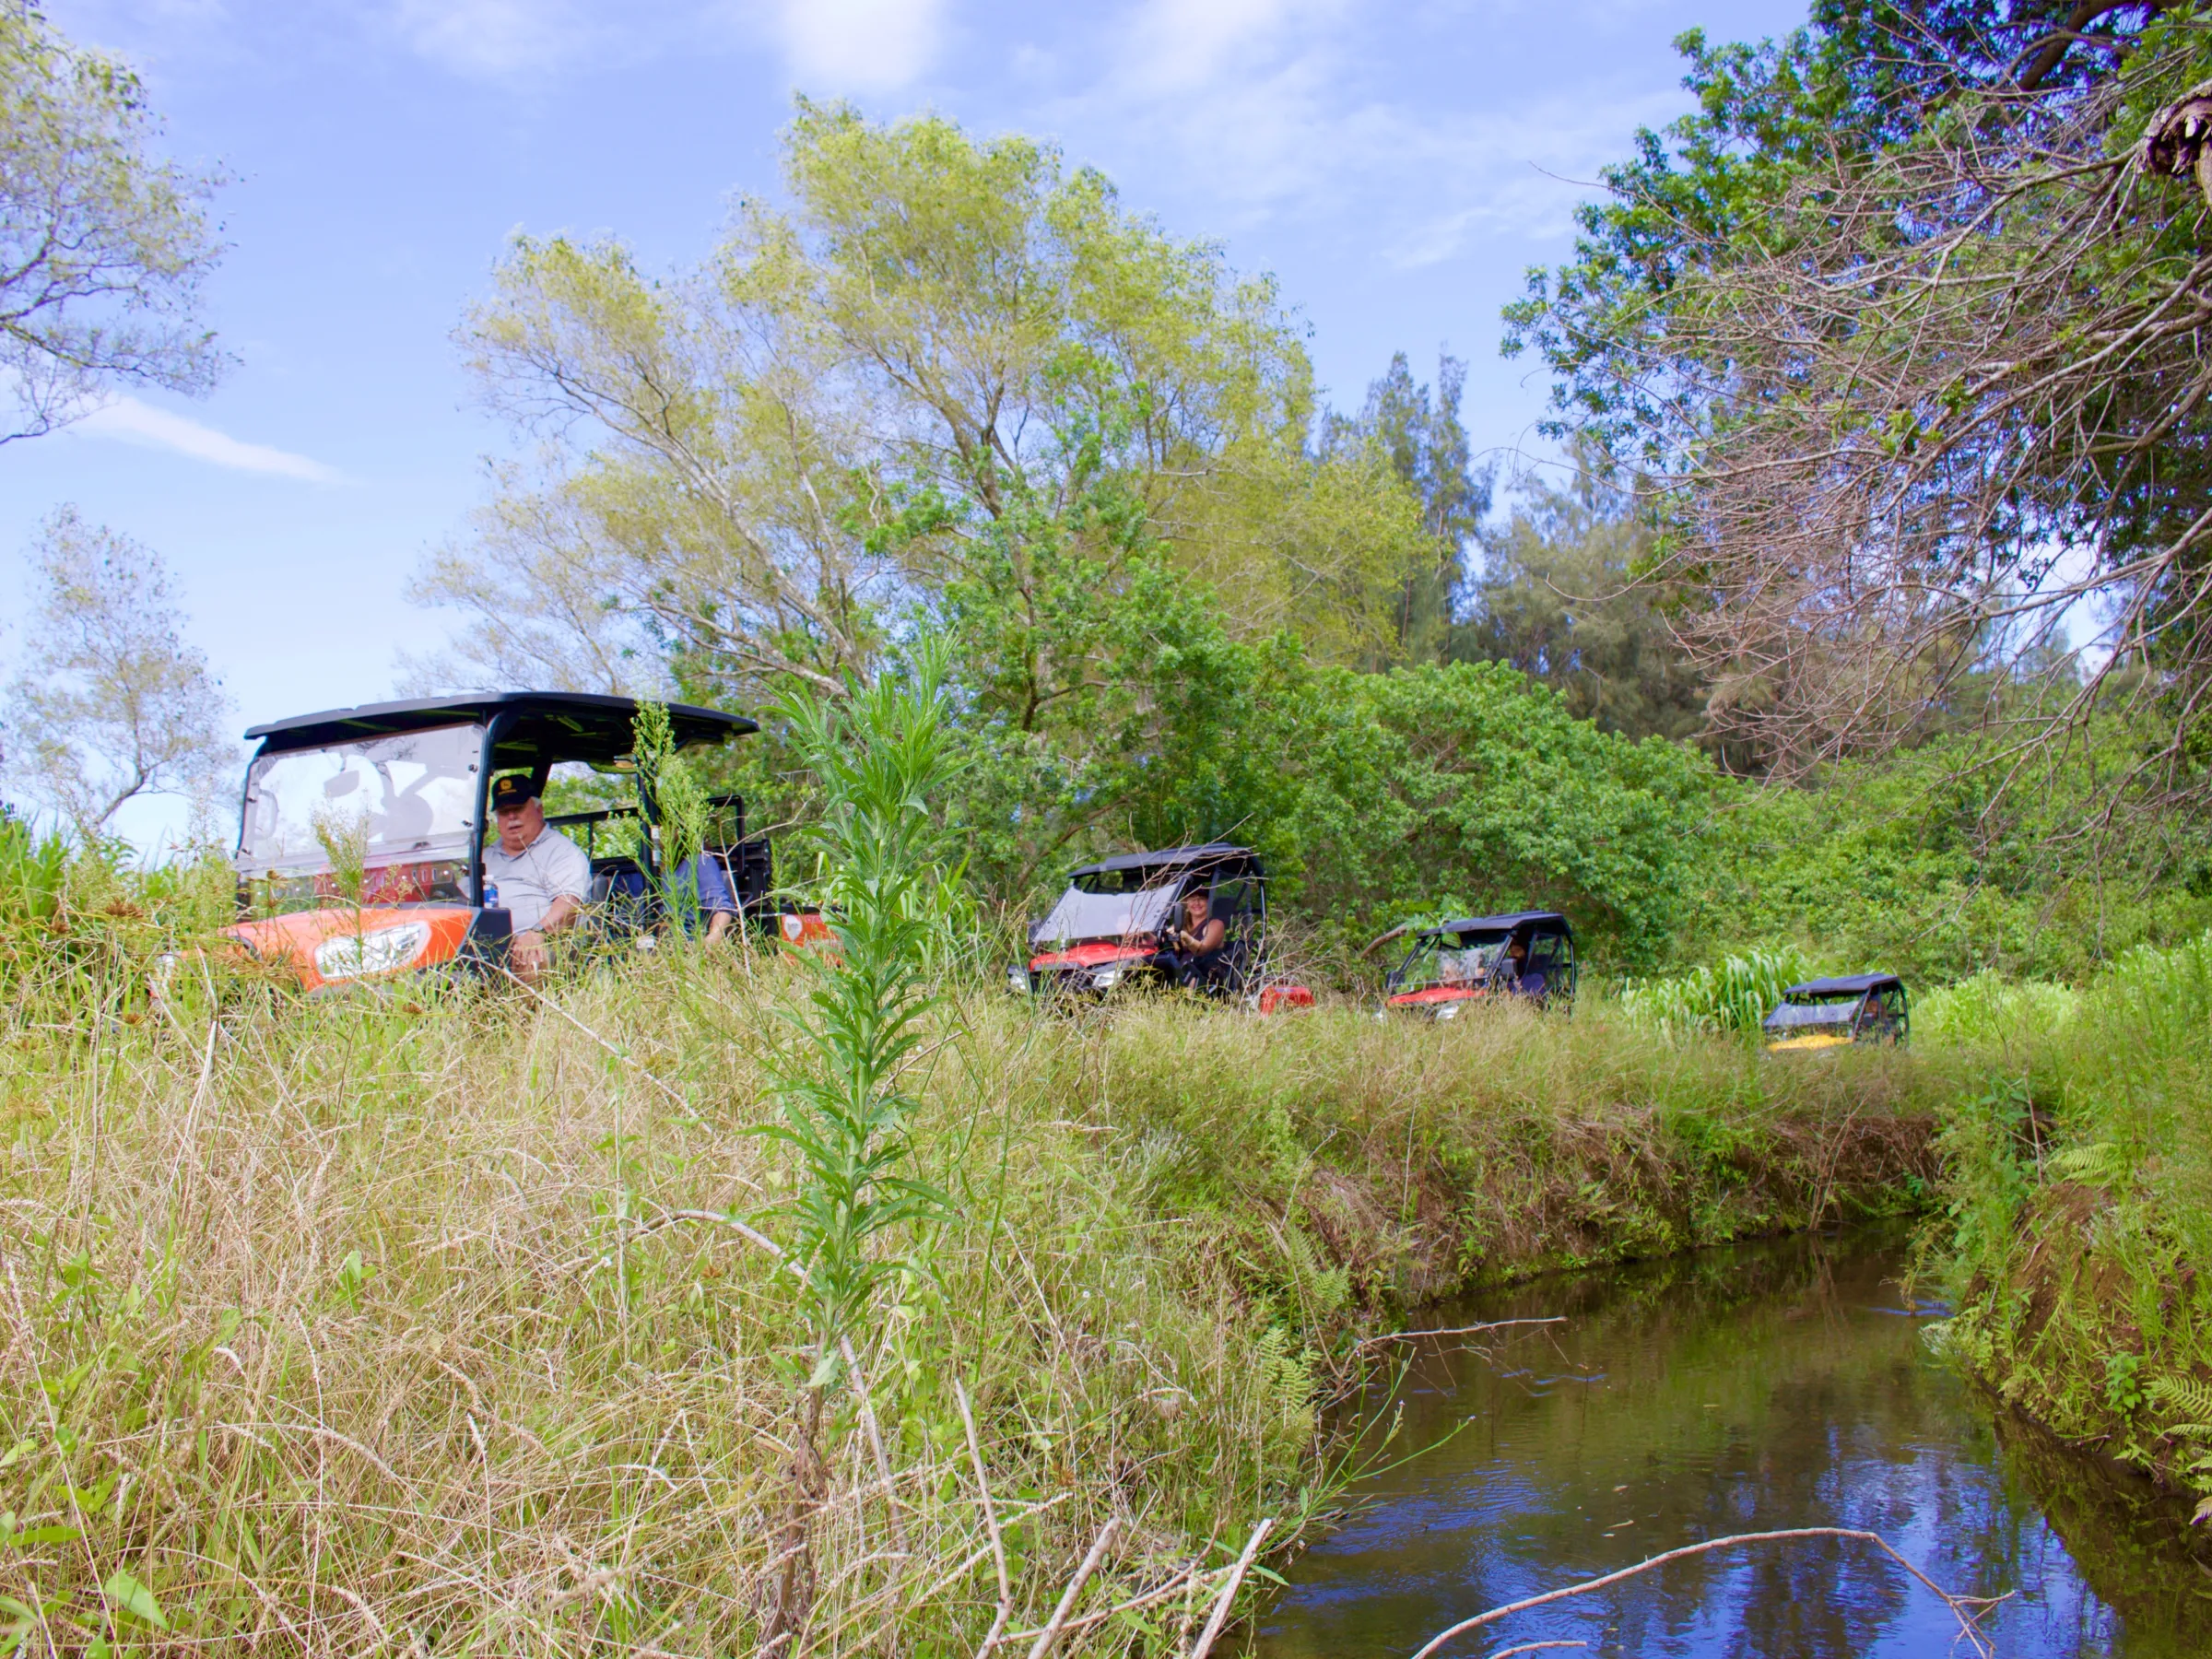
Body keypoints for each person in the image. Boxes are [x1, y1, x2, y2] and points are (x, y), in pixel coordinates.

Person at [482, 774, 592, 982]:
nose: (512, 817)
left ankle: (524, 1015)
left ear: (539, 810)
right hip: (484, 944)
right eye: (505, 812)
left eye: (519, 808)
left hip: (541, 941)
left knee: (529, 958)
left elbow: (568, 905)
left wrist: (537, 932)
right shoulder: (484, 857)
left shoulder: (561, 852)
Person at [1155, 889, 1229, 988]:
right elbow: (1158, 942)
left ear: (1209, 901)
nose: (1196, 903)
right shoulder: (1181, 924)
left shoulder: (1216, 924)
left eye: (1201, 899)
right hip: (1176, 973)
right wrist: (1145, 933)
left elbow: (1203, 950)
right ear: (1186, 902)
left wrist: (1187, 938)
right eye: (1192, 899)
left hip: (1202, 979)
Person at [666, 850, 740, 943]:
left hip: (686, 944)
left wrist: (714, 936)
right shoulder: (644, 872)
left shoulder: (699, 862)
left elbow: (721, 908)